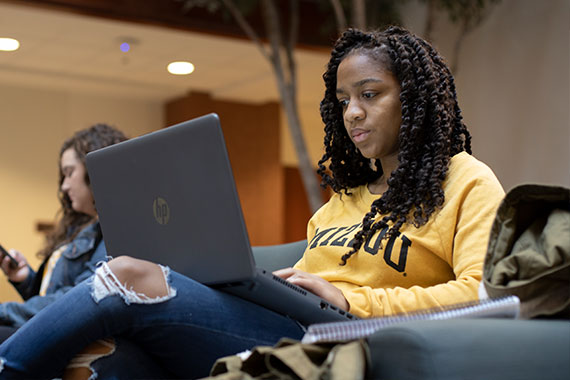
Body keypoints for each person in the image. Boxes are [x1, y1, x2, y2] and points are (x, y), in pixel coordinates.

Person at [0, 26, 505, 378]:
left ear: (413, 99)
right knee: (111, 357)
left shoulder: (466, 182)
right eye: (343, 100)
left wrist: (353, 300)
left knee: (129, 274)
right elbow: (304, 285)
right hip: (290, 324)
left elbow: (487, 295)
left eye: (369, 94)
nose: (352, 112)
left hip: (352, 339)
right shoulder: (338, 204)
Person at [0, 124, 127, 342]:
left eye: (69, 173)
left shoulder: (117, 227)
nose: (64, 186)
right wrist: (25, 280)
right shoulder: (83, 228)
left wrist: (4, 311)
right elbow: (52, 300)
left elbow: (80, 296)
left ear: (94, 169)